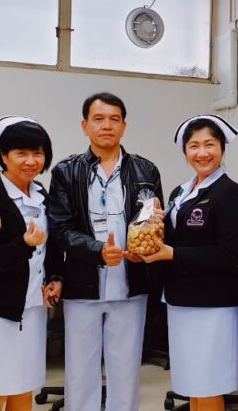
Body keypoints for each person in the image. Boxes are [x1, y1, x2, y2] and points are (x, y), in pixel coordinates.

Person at [46, 92, 163, 411]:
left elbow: (152, 220)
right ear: (85, 126)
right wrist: (97, 251)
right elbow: (60, 228)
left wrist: (145, 247)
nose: (107, 126)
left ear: (124, 126)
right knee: (80, 372)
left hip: (130, 285)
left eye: (114, 119)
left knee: (125, 371)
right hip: (83, 285)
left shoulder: (146, 171)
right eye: (98, 119)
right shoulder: (65, 172)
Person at [141, 115, 238, 411]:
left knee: (209, 384)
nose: (202, 153)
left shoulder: (231, 193)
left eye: (210, 145)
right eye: (194, 146)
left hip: (211, 305)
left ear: (222, 148)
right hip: (180, 300)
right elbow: (175, 238)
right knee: (192, 384)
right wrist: (152, 230)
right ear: (185, 151)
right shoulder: (179, 192)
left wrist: (171, 254)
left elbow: (227, 254)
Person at [0, 116, 61, 411]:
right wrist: (24, 244)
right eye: (21, 153)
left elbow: (51, 244)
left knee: (23, 387)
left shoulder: (41, 194)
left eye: (37, 153)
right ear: (4, 156)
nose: (31, 161)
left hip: (32, 307)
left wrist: (55, 278)